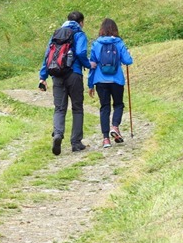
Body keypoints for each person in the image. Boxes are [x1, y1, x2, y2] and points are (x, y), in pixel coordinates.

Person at [39, 11, 91, 155]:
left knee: (59, 108)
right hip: (74, 74)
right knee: (77, 107)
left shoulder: (56, 34)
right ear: (81, 22)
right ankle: (76, 142)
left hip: (57, 74)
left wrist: (43, 76)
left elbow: (47, 56)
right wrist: (87, 64)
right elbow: (80, 52)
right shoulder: (79, 34)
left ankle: (57, 134)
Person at [88, 18, 134, 148]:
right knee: (118, 104)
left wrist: (90, 84)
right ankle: (115, 126)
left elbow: (92, 64)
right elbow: (128, 61)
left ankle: (106, 139)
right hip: (116, 80)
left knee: (104, 107)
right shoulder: (119, 42)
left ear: (101, 29)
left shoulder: (96, 44)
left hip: (100, 80)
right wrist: (128, 54)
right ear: (115, 29)